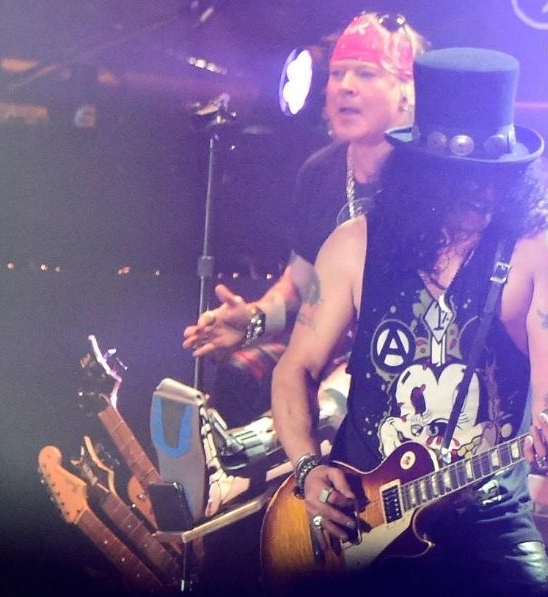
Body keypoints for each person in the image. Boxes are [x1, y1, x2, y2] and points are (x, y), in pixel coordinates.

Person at [270, 47, 548, 590]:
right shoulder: (355, 243)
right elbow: (294, 369)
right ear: (420, 174)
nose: (481, 193)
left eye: (494, 176)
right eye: (461, 178)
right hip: (361, 517)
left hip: (487, 520)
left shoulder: (542, 246)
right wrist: (307, 469)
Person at [183, 13, 428, 382]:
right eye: (337, 73)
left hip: (410, 352)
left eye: (365, 74)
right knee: (240, 375)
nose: (345, 86)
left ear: (406, 91)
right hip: (330, 346)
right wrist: (253, 319)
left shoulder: (432, 176)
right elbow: (301, 285)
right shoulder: (319, 173)